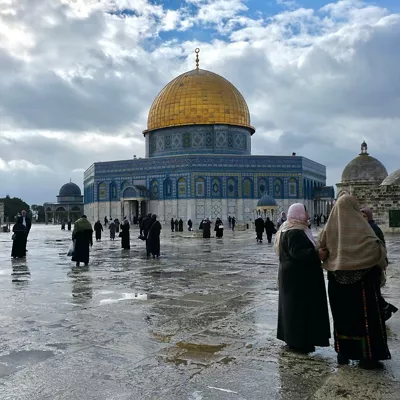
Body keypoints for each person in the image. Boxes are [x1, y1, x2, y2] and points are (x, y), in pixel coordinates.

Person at [319, 195, 391, 369]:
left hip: (337, 283)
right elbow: (376, 252)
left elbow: (321, 249)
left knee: (342, 320)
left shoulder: (328, 230)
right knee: (365, 321)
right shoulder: (364, 231)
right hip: (362, 286)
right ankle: (367, 357)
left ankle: (343, 353)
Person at [275, 203, 330, 354]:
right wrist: (317, 254)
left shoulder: (292, 229)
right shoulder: (294, 232)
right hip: (298, 281)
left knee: (293, 310)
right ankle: (298, 342)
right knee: (298, 311)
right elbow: (298, 253)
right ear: (299, 214)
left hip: (294, 279)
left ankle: (296, 340)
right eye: (305, 212)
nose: (307, 214)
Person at [360, 207, 397, 321]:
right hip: (370, 265)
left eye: (364, 216)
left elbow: (379, 247)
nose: (362, 218)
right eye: (360, 216)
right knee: (373, 292)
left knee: (374, 292)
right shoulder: (366, 228)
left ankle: (385, 310)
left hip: (374, 265)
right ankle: (384, 309)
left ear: (369, 217)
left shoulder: (373, 228)